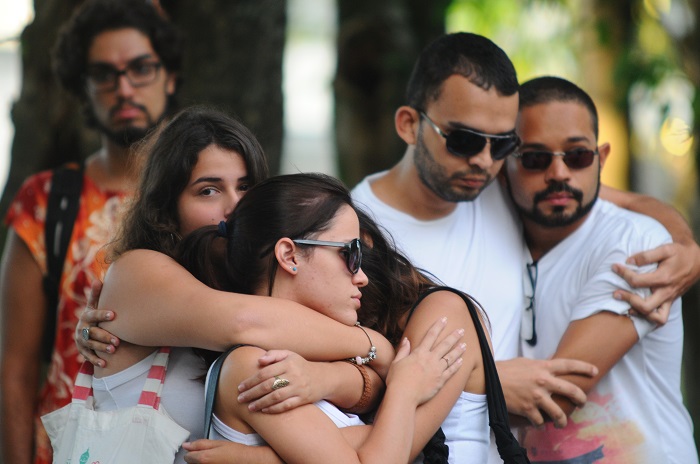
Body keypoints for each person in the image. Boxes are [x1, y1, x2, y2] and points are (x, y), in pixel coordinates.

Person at [350, 32, 700, 462]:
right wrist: (489, 381)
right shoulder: (356, 229)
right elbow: (352, 365)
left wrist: (685, 245)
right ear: (408, 124)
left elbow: (618, 199)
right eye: (463, 139)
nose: (482, 159)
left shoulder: (498, 184)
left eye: (501, 144)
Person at [76, 105, 402, 463]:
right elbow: (243, 322)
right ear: (166, 208)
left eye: (245, 186)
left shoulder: (255, 289)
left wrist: (323, 379)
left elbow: (359, 399)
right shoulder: (137, 270)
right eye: (209, 191)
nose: (234, 205)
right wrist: (374, 347)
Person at [176, 173, 475, 463]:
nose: (362, 277)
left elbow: (367, 443)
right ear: (290, 256)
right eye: (351, 253)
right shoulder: (258, 368)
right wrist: (405, 391)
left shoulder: (313, 360)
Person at [0, 1, 183, 463]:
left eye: (140, 68)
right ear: (83, 90)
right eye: (103, 74)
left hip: (181, 446)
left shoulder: (206, 197)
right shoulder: (45, 202)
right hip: (67, 446)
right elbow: (15, 368)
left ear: (170, 77)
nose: (123, 88)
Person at [502, 76, 697, 463]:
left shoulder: (636, 245)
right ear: (502, 165)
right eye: (535, 158)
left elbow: (558, 394)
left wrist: (418, 386)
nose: (559, 174)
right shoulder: (499, 228)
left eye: (577, 156)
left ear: (601, 158)